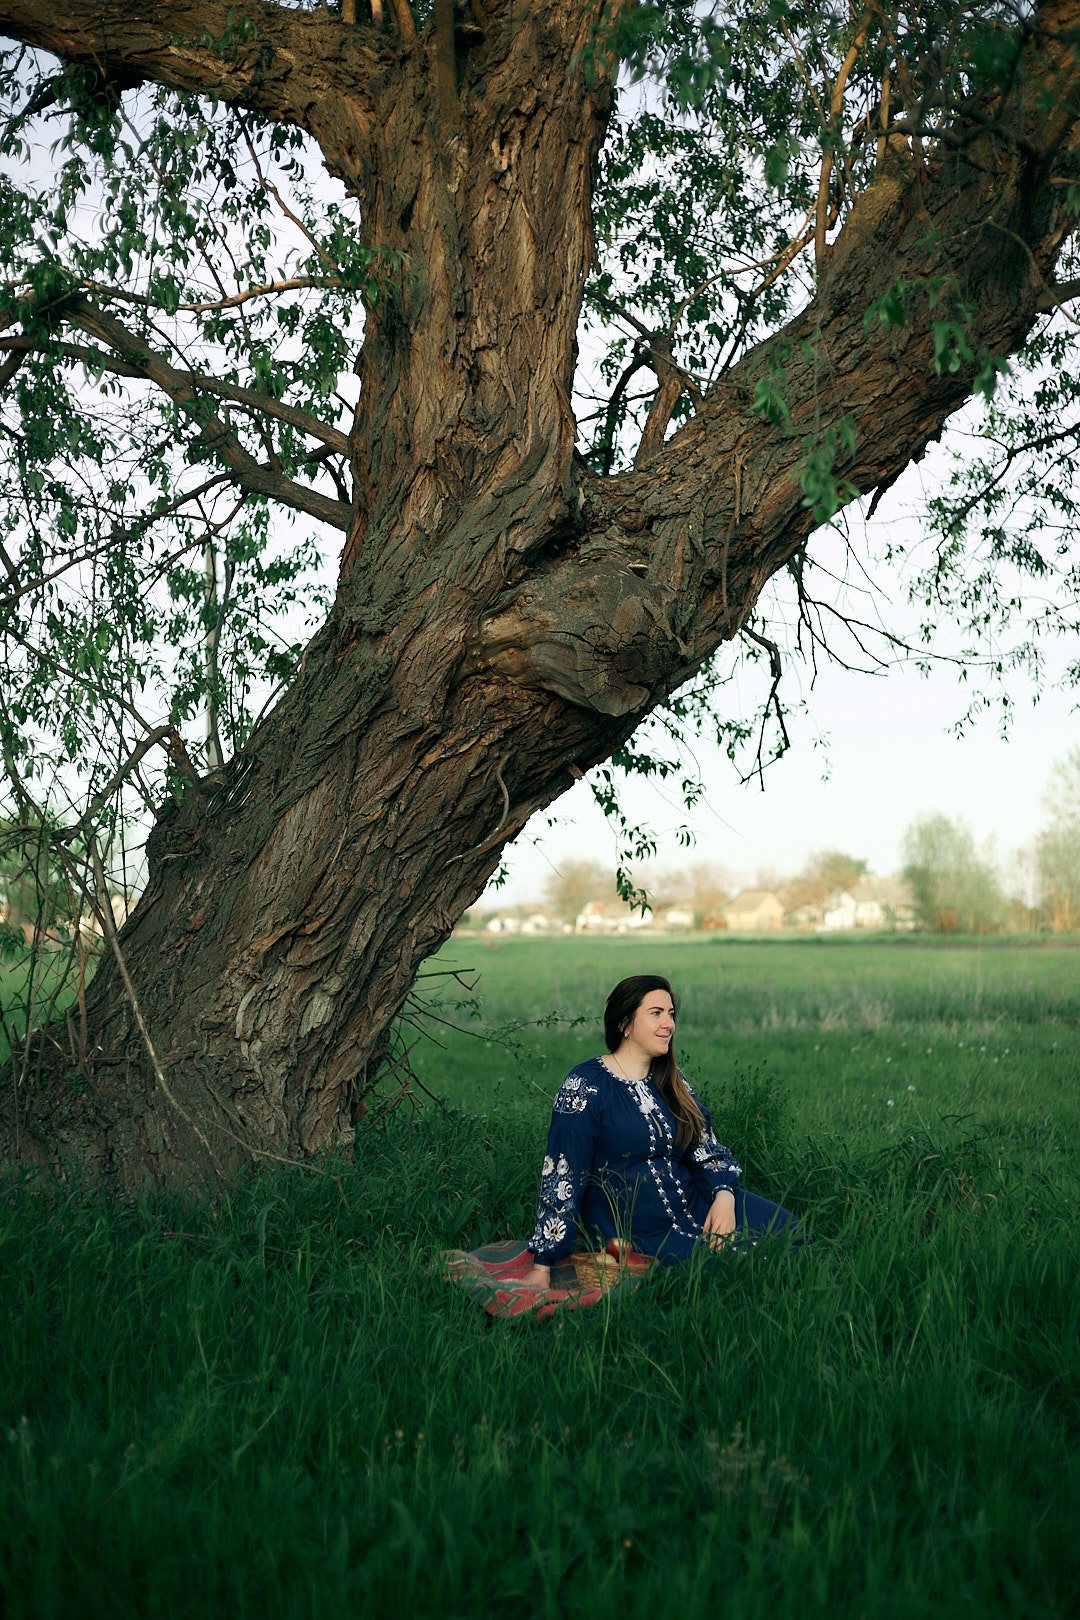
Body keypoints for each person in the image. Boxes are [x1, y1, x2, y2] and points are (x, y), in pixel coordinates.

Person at [520, 974, 801, 1288]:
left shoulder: (671, 1079)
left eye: (671, 1014)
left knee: (790, 1231)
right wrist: (543, 1265)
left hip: (697, 1202)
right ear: (624, 1023)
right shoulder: (585, 1085)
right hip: (639, 1230)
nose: (668, 1024)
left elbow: (705, 1147)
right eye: (656, 1013)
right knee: (740, 1265)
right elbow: (562, 1175)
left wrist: (723, 1196)